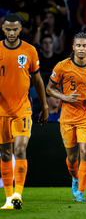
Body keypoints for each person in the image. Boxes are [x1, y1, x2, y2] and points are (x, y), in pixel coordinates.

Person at [46, 32, 86, 202]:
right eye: (78, 45)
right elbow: (49, 88)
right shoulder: (62, 66)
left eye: (84, 46)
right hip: (68, 117)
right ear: (73, 47)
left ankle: (80, 192)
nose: (81, 49)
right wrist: (65, 97)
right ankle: (74, 177)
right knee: (72, 157)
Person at [0, 14, 49, 209]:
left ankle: (18, 194)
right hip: (1, 111)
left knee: (20, 149)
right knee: (5, 153)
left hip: (23, 109)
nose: (11, 33)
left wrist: (44, 106)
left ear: (21, 29)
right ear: (3, 29)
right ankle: (9, 199)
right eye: (8, 29)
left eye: (15, 29)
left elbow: (37, 80)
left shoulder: (29, 50)